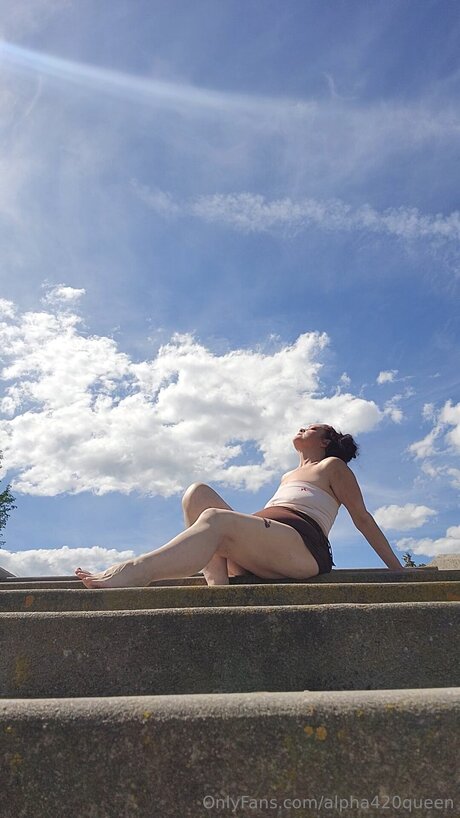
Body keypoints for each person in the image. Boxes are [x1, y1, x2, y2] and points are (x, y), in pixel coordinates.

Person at [75, 423, 406, 588]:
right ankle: (220, 590)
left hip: (303, 551)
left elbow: (362, 518)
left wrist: (399, 572)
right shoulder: (288, 475)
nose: (301, 428)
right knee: (197, 493)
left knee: (215, 519)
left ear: (325, 441)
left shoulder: (332, 467)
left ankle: (137, 571)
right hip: (265, 550)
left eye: (311, 427)